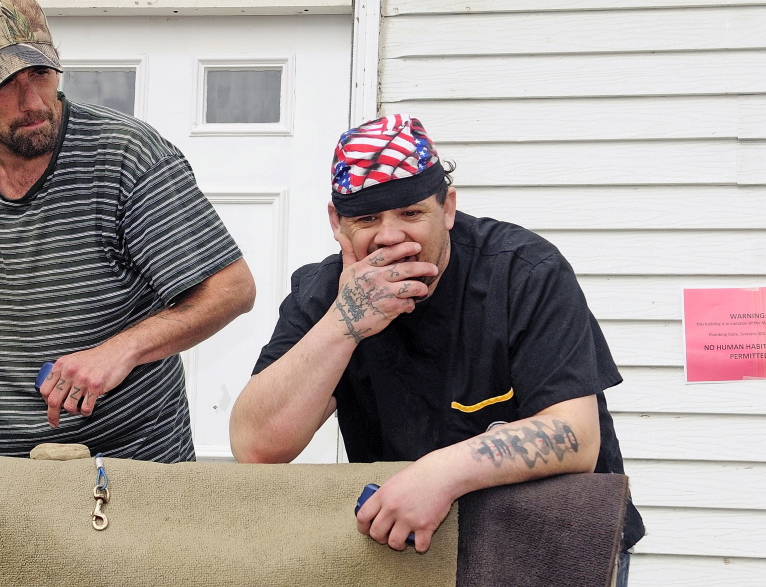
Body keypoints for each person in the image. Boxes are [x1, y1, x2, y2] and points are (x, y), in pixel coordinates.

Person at [0, 0, 255, 507]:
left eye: (41, 73)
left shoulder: (128, 154)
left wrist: (119, 350)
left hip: (135, 472)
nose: (34, 102)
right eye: (4, 85)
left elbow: (232, 288)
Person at [229, 115, 643, 583]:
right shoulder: (324, 294)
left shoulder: (525, 271)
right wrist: (345, 324)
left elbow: (576, 436)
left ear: (446, 207)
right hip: (412, 549)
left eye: (411, 213)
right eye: (367, 218)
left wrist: (441, 473)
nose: (389, 236)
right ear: (336, 223)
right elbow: (257, 445)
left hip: (552, 538)